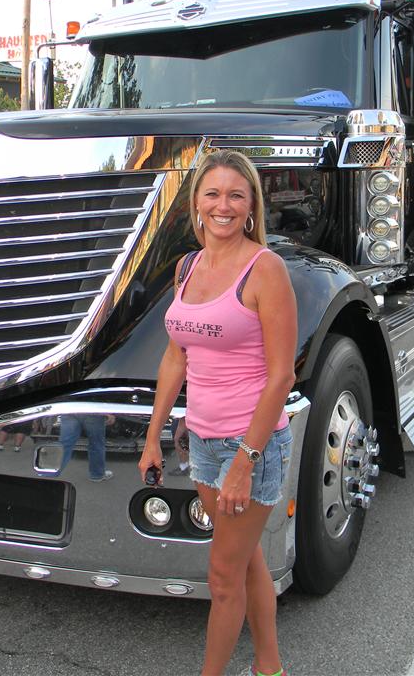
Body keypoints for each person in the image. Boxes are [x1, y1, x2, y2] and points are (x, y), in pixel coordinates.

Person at [140, 150, 296, 676]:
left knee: (222, 578)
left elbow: (282, 377)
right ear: (196, 203)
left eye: (235, 195)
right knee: (247, 563)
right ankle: (269, 667)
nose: (222, 205)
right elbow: (175, 355)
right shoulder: (189, 266)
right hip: (203, 443)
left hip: (251, 446)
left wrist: (246, 460)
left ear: (251, 206)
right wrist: (152, 435)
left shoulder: (265, 269)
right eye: (212, 194)